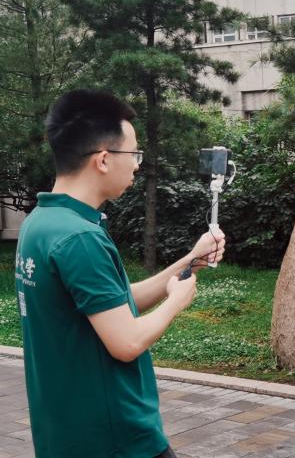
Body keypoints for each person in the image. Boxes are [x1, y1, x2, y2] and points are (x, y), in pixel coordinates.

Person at [14, 90, 226, 458]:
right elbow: (126, 342)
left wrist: (190, 261)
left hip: (65, 434)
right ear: (103, 159)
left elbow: (116, 304)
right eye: (134, 154)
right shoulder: (80, 238)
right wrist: (176, 302)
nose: (137, 166)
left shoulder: (42, 223)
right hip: (116, 439)